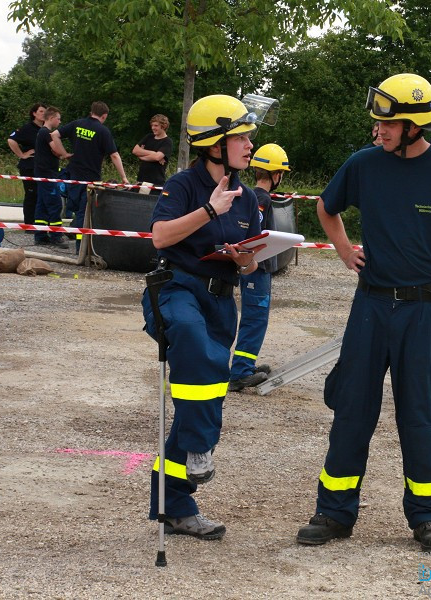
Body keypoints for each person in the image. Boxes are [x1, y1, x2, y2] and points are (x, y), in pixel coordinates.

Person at [296, 73, 431, 552]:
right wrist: (342, 249)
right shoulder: (363, 165)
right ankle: (333, 513)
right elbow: (325, 207)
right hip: (370, 306)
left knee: (420, 413)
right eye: (378, 124)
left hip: (422, 309)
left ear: (415, 127)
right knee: (352, 409)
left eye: (388, 124)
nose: (379, 131)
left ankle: (428, 517)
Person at [141, 94, 264, 541]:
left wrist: (246, 257)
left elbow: (251, 265)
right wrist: (211, 210)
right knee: (195, 349)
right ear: (215, 142)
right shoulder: (183, 184)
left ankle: (171, 503)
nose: (250, 144)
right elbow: (159, 237)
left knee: (209, 385)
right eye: (242, 137)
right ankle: (199, 448)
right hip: (176, 289)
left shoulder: (248, 198)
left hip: (219, 298)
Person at [228, 143, 291, 392]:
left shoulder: (250, 195)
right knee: (255, 318)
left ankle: (244, 366)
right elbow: (255, 235)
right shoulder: (261, 199)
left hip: (254, 268)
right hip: (257, 269)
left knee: (254, 318)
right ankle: (241, 371)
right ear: (276, 175)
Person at [51, 101, 129, 252]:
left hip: (73, 176)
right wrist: (124, 178)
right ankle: (82, 248)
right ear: (104, 116)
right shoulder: (102, 131)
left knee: (75, 210)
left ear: (91, 111)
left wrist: (64, 154)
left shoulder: (77, 124)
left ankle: (79, 243)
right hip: (90, 179)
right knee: (84, 212)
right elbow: (114, 155)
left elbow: (54, 135)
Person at [33, 106, 71, 248]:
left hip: (44, 172)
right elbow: (56, 150)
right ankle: (56, 235)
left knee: (42, 204)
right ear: (51, 118)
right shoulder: (46, 133)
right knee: (55, 203)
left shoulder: (42, 133)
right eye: (58, 119)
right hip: (47, 173)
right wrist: (64, 154)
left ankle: (41, 235)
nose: (60, 122)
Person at [7, 103, 46, 226]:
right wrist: (21, 154)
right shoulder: (27, 128)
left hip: (43, 167)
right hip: (29, 166)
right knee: (31, 194)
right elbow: (11, 140)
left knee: (42, 194)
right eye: (41, 111)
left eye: (45, 111)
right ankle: (29, 223)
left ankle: (40, 222)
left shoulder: (46, 129)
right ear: (34, 113)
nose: (43, 114)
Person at [132, 114, 173, 186]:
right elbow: (135, 151)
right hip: (141, 180)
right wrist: (153, 153)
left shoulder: (167, 141)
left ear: (164, 126)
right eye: (152, 125)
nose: (153, 128)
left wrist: (142, 155)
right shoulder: (149, 137)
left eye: (156, 125)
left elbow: (157, 157)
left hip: (156, 182)